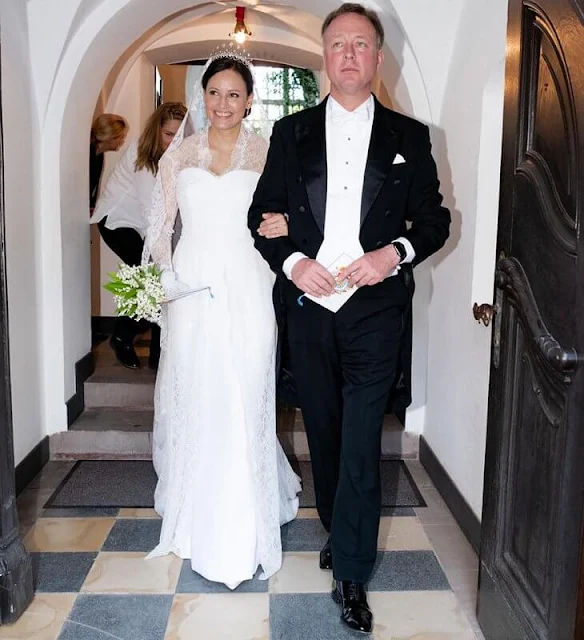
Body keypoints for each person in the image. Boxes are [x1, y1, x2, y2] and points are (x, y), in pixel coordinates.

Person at [248, 3, 451, 633]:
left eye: (360, 45)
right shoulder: (291, 134)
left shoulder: (411, 138)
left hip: (374, 313)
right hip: (310, 310)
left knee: (363, 440)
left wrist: (394, 253)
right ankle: (338, 527)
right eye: (337, 44)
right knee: (328, 436)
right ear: (324, 58)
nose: (348, 55)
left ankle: (353, 574)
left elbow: (435, 222)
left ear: (377, 58)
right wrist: (293, 262)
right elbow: (261, 216)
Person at [143, 49, 300, 589]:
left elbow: (291, 214)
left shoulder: (266, 153)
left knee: (246, 387)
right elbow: (160, 227)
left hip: (251, 283)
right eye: (214, 93)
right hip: (191, 288)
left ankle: (247, 514)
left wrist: (285, 226)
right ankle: (199, 508)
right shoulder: (178, 155)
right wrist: (160, 285)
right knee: (201, 392)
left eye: (235, 94)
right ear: (201, 97)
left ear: (250, 100)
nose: (224, 103)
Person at [92, 103, 187, 369]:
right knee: (146, 273)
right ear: (156, 129)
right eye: (168, 134)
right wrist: (161, 251)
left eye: (178, 136)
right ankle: (122, 337)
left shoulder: (175, 156)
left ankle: (151, 350)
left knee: (150, 276)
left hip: (141, 224)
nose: (172, 141)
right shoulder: (141, 153)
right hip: (116, 220)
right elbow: (151, 209)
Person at [89, 113, 128, 210]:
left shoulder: (99, 154)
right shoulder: (89, 154)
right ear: (110, 136)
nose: (122, 141)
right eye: (121, 137)